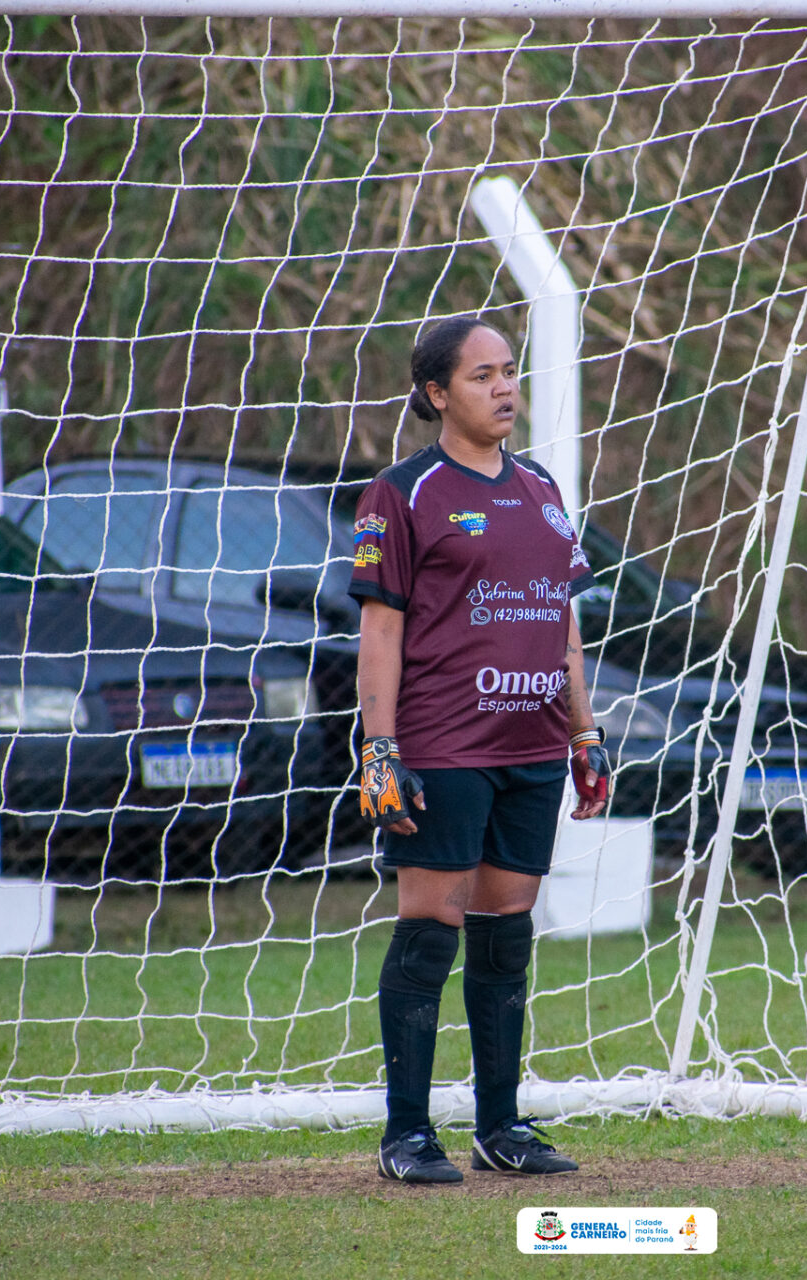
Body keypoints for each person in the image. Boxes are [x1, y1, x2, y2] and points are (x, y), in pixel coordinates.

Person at [348, 314, 611, 1184]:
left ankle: (501, 1127)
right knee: (431, 930)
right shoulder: (403, 493)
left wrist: (583, 730)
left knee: (507, 936)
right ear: (436, 394)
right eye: (482, 375)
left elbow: (562, 624)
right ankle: (405, 1135)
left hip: (530, 747)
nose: (505, 388)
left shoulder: (541, 488)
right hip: (443, 746)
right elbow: (379, 635)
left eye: (510, 372)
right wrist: (379, 748)